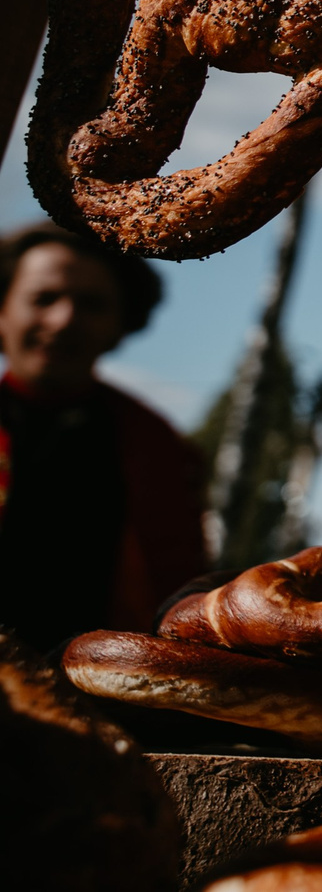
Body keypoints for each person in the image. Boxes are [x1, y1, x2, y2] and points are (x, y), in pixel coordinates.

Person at [0, 221, 205, 651]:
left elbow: (178, 590)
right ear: (3, 310)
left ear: (121, 323)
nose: (64, 320)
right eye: (43, 298)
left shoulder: (157, 447)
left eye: (91, 304)